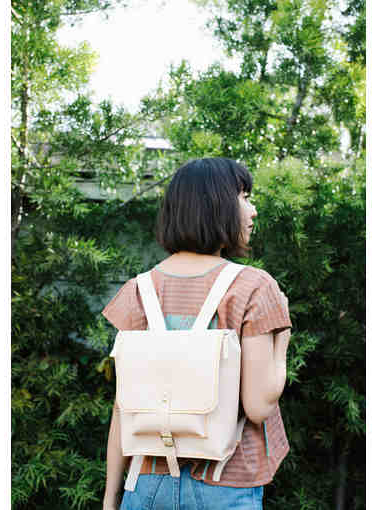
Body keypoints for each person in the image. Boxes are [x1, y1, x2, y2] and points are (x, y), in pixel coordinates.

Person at [101, 157, 292, 510]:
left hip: (144, 485)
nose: (252, 211)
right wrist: (282, 341)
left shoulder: (139, 290)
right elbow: (258, 405)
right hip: (225, 486)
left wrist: (111, 496)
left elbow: (123, 406)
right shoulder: (252, 287)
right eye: (245, 198)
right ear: (217, 205)